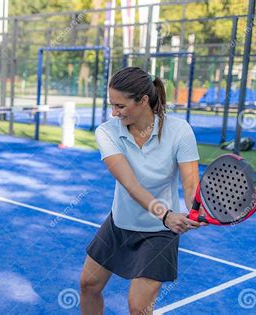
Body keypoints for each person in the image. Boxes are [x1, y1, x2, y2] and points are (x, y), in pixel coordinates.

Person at [79, 67, 206, 315]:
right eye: (111, 105)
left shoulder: (180, 131)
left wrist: (196, 211)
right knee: (87, 284)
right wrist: (167, 214)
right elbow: (130, 184)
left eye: (121, 106)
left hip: (159, 232)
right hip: (121, 223)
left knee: (138, 308)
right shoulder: (107, 131)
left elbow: (191, 185)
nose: (114, 112)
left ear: (143, 101)